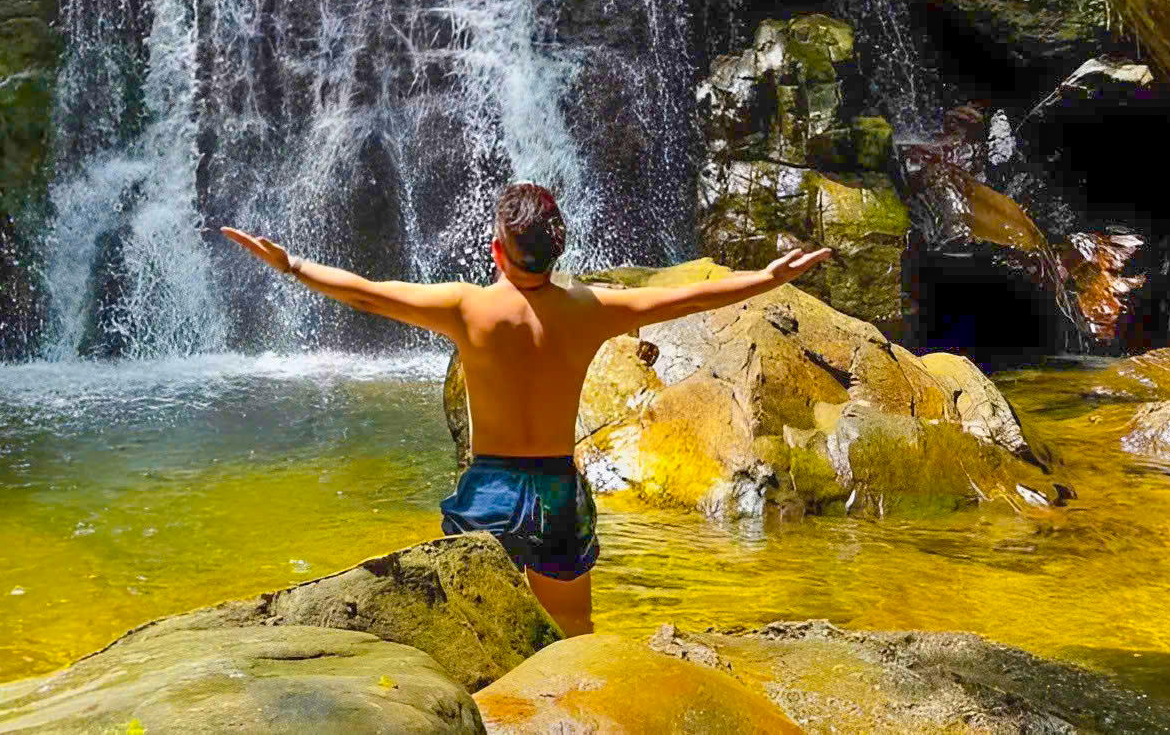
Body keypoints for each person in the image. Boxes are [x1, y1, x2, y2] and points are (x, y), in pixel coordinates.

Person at [221, 181, 831, 635]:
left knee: (477, 638)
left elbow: (370, 297)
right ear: (555, 250)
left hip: (489, 490)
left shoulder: (468, 308)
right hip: (558, 490)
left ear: (497, 251)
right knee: (574, 637)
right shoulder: (592, 308)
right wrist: (767, 278)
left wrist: (293, 265)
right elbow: (691, 298)